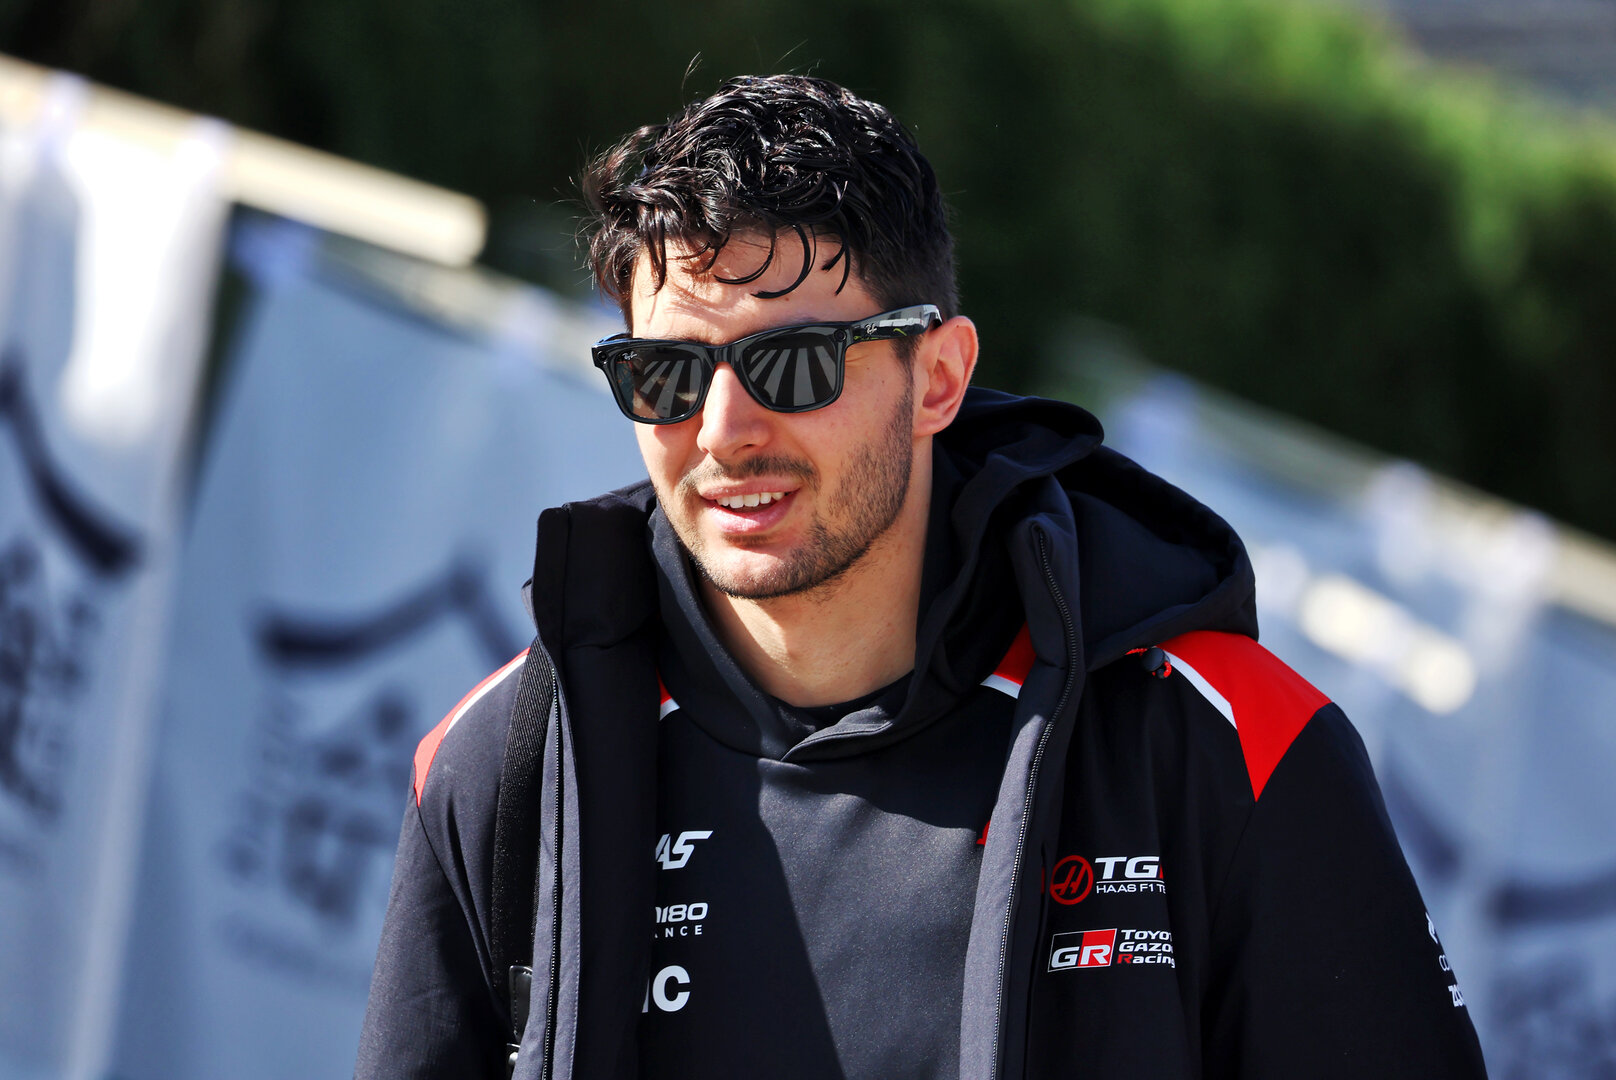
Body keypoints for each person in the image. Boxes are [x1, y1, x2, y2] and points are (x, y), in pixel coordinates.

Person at [356, 74, 1488, 1080]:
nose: (721, 433)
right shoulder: (504, 759)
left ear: (937, 377)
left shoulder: (1223, 745)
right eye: (663, 373)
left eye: (790, 365)